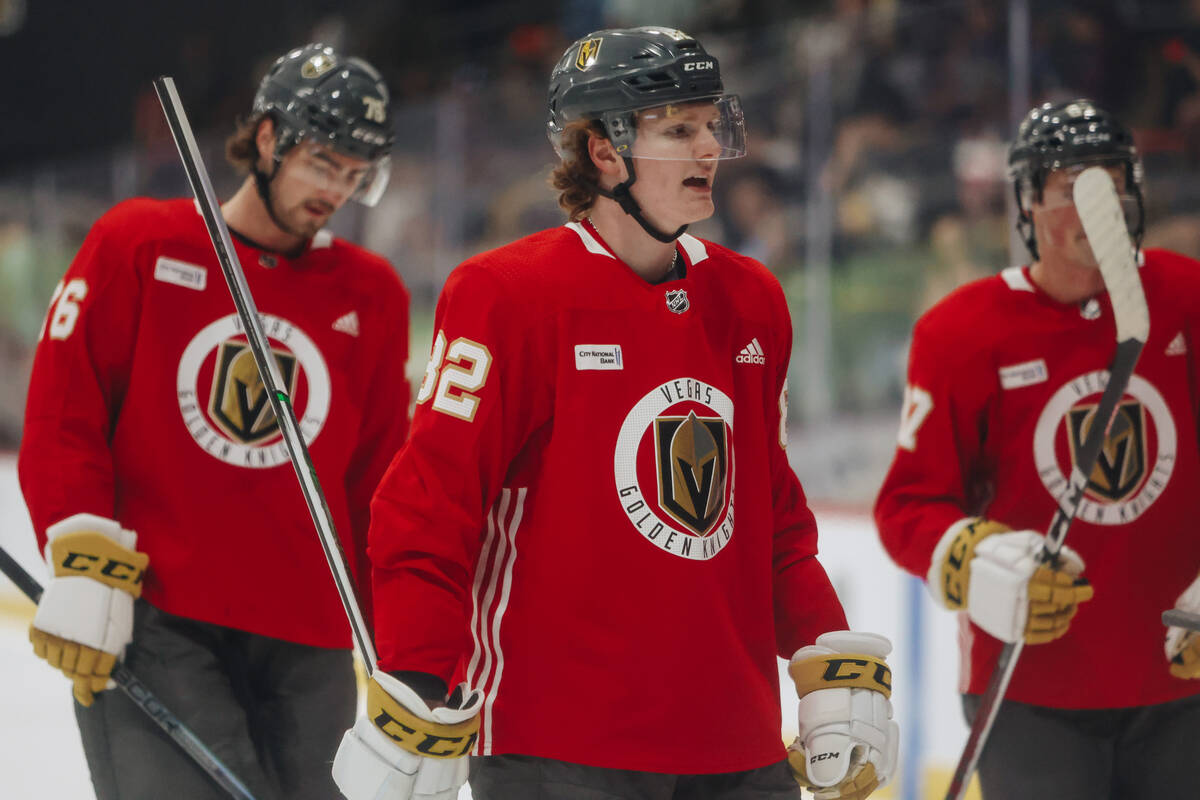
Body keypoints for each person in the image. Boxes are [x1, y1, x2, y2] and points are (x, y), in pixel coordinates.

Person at [331, 26, 899, 800]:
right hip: (558, 744)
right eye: (678, 131)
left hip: (735, 746)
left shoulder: (750, 300)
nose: (709, 151)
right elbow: (430, 508)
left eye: (711, 125)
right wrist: (414, 682)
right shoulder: (507, 297)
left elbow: (773, 519)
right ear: (603, 153)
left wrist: (831, 666)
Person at [19, 43, 410, 800]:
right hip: (160, 621)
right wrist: (79, 548)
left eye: (357, 175)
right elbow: (66, 412)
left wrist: (403, 642)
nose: (339, 189)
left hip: (310, 645)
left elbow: (379, 481)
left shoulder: (373, 295)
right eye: (325, 163)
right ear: (268, 138)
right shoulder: (138, 242)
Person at [874, 98, 1200, 798]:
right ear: (1028, 204)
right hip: (1030, 694)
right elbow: (907, 506)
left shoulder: (1188, 299)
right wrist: (971, 557)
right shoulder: (960, 333)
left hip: (1184, 682)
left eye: (1113, 186)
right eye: (1076, 188)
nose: (1101, 206)